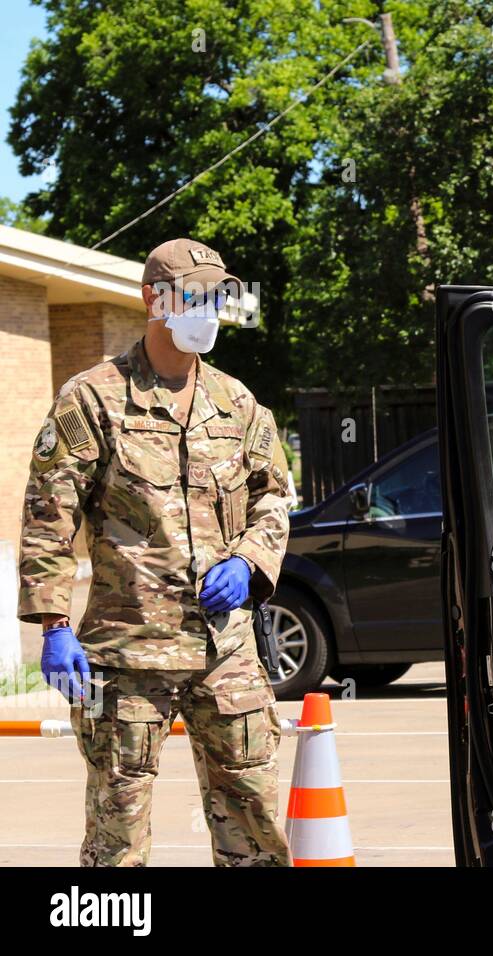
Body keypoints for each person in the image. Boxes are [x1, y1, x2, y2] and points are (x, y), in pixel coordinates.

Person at [19, 238, 294, 867]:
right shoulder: (91, 399)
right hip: (126, 656)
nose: (210, 309)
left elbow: (274, 499)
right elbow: (48, 516)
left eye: (217, 297)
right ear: (154, 300)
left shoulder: (240, 404)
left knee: (255, 824)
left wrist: (250, 561)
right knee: (117, 836)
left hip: (226, 653)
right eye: (195, 296)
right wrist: (55, 627)